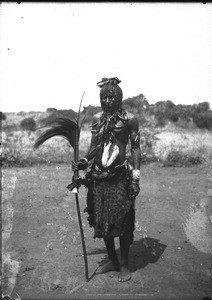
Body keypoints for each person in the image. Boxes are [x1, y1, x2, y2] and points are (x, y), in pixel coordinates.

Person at [72, 77, 141, 282]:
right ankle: (112, 260)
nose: (108, 100)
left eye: (112, 97)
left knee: (123, 221)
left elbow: (135, 148)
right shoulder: (97, 119)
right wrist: (84, 161)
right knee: (104, 223)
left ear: (119, 97)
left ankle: (124, 265)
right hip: (98, 178)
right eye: (105, 97)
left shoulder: (129, 120)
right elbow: (94, 147)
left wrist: (136, 177)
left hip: (120, 177)